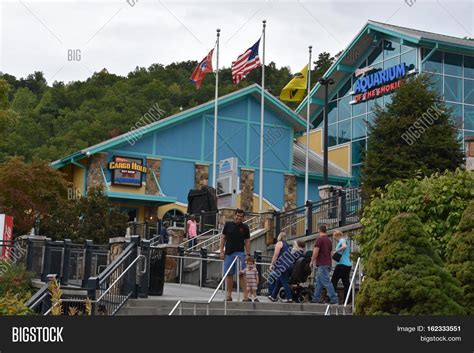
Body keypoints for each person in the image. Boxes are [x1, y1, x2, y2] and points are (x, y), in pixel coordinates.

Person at [219, 209, 251, 302]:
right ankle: (229, 295)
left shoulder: (245, 227)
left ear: (243, 218)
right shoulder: (228, 225)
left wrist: (248, 254)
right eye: (237, 215)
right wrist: (221, 251)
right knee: (229, 274)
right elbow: (223, 238)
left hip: (240, 253)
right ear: (235, 216)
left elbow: (247, 241)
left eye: (241, 216)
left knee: (242, 274)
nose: (239, 218)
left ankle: (245, 296)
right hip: (229, 253)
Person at [310, 225, 338, 304]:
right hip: (327, 263)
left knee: (326, 282)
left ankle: (333, 298)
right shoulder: (329, 241)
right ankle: (316, 298)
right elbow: (330, 252)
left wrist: (312, 260)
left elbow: (316, 251)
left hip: (322, 263)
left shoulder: (319, 239)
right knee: (319, 282)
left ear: (319, 230)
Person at [268, 232, 293, 303]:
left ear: (279, 237)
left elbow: (276, 255)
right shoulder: (288, 245)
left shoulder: (279, 243)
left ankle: (289, 298)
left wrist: (272, 264)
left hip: (282, 265)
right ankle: (273, 296)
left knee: (284, 281)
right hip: (289, 265)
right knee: (279, 281)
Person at [331, 230, 352, 304]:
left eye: (334, 236)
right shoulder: (345, 240)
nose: (333, 238)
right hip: (347, 265)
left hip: (341, 264)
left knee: (334, 281)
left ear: (337, 236)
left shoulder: (342, 240)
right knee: (346, 282)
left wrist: (336, 251)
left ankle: (333, 298)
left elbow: (344, 246)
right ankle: (347, 300)